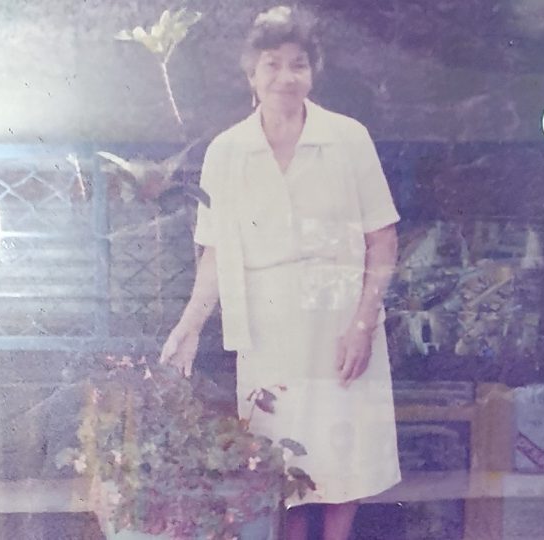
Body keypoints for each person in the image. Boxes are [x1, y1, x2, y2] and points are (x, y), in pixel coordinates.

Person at [161, 6, 401, 539]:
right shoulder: (227, 152)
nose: (286, 77)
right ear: (252, 73)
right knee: (280, 472)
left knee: (343, 464)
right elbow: (215, 254)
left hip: (340, 324)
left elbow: (382, 239)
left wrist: (362, 325)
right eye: (272, 64)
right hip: (268, 329)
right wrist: (191, 324)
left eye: (298, 64)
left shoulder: (348, 138)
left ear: (313, 72)